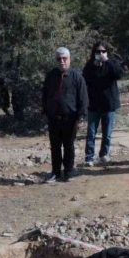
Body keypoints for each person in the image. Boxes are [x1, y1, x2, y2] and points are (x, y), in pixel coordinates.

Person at [42, 47, 89, 182]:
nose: (62, 61)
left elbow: (83, 98)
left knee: (69, 146)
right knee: (55, 146)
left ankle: (68, 172)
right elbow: (45, 95)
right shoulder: (50, 76)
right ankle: (55, 173)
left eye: (64, 58)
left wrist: (81, 117)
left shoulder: (76, 76)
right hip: (53, 118)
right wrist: (44, 112)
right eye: (59, 59)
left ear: (69, 59)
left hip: (70, 118)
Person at [82, 41, 123, 167]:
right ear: (94, 53)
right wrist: (94, 66)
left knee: (107, 133)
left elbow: (119, 74)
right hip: (93, 104)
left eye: (103, 51)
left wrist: (107, 62)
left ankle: (104, 155)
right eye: (98, 51)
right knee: (91, 132)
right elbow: (84, 80)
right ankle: (89, 157)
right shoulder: (89, 65)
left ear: (107, 53)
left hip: (108, 104)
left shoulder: (112, 63)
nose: (100, 54)